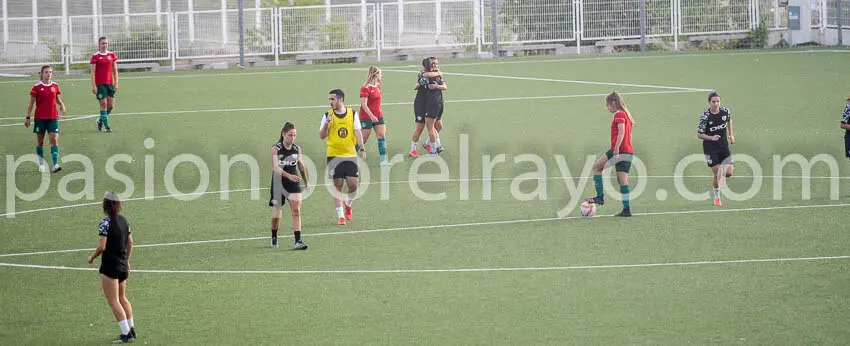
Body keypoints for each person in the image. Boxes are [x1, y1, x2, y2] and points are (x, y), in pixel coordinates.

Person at [87, 192, 136, 344]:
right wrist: (127, 260)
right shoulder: (125, 221)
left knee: (113, 300)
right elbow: (131, 243)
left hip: (110, 266)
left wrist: (92, 257)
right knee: (123, 298)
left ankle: (125, 333)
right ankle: (132, 330)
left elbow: (102, 246)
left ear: (105, 206)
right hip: (122, 264)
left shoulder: (105, 223)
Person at [319, 89, 366, 225]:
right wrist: (327, 123)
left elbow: (357, 132)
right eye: (329, 100)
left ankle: (348, 203)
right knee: (337, 186)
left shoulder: (352, 114)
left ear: (341, 100)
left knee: (353, 185)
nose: (330, 102)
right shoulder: (327, 115)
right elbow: (322, 136)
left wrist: (362, 148)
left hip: (350, 154)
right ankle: (341, 216)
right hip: (333, 155)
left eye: (332, 99)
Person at [585, 91, 635, 217]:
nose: (607, 108)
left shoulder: (619, 115)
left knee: (597, 168)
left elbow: (621, 132)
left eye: (607, 105)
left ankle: (600, 197)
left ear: (613, 103)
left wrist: (616, 149)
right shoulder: (626, 115)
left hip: (618, 150)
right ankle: (626, 210)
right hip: (628, 151)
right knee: (622, 180)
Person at [269, 122, 309, 250]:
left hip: (293, 182)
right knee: (277, 212)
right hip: (278, 182)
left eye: (294, 135)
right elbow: (275, 168)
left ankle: (298, 241)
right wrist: (289, 175)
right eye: (290, 135)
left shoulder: (297, 149)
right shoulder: (276, 148)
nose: (292, 138)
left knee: (296, 211)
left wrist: (306, 182)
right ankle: (274, 236)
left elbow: (301, 166)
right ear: (283, 134)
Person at [24, 65, 66, 173]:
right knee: (40, 141)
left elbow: (57, 98)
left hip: (53, 117)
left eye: (50, 72)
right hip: (40, 118)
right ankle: (41, 163)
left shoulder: (55, 86)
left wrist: (61, 104)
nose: (48, 74)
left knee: (54, 139)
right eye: (46, 72)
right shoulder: (36, 87)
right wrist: (27, 117)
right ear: (42, 74)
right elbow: (31, 104)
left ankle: (55, 164)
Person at [697, 92, 735, 206]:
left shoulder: (725, 112)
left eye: (718, 101)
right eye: (713, 101)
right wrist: (711, 138)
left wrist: (731, 134)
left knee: (729, 173)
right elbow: (699, 134)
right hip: (710, 148)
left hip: (723, 146)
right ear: (709, 102)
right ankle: (717, 196)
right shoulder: (705, 117)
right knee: (718, 174)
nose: (716, 103)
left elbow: (729, 120)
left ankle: (719, 178)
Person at [409, 58, 445, 157]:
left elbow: (444, 85)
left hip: (432, 103)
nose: (435, 65)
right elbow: (421, 81)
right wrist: (439, 73)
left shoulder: (436, 74)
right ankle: (413, 150)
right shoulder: (423, 73)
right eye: (433, 64)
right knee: (420, 128)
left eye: (436, 64)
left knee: (438, 126)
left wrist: (438, 84)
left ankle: (429, 144)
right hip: (421, 103)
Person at [359, 66, 389, 166]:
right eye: (381, 74)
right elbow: (364, 104)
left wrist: (376, 114)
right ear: (376, 75)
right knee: (363, 138)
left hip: (378, 115)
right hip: (366, 116)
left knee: (381, 136)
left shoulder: (378, 86)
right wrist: (371, 116)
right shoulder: (365, 87)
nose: (382, 76)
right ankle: (350, 156)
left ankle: (383, 160)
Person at [91, 36, 119, 132]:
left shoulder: (111, 55)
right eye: (102, 43)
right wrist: (94, 85)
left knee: (111, 106)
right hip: (100, 84)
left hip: (110, 84)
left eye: (106, 43)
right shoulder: (95, 56)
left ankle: (100, 120)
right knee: (103, 104)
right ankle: (107, 127)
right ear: (99, 44)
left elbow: (115, 70)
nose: (104, 45)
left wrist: (116, 83)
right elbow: (93, 72)